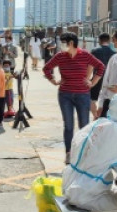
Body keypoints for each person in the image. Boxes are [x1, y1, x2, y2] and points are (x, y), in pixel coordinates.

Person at [43, 32, 106, 164]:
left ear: (71, 43)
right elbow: (46, 68)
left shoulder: (85, 55)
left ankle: (83, 152)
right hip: (65, 95)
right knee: (68, 125)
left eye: (63, 42)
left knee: (84, 125)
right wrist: (53, 81)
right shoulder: (60, 56)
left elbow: (100, 67)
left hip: (82, 95)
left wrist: (92, 82)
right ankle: (69, 153)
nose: (61, 45)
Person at [89, 33, 116, 120]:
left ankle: (95, 116)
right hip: (109, 81)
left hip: (96, 79)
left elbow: (89, 67)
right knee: (106, 100)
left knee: (92, 99)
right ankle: (102, 117)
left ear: (99, 40)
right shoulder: (114, 54)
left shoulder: (94, 51)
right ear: (109, 40)